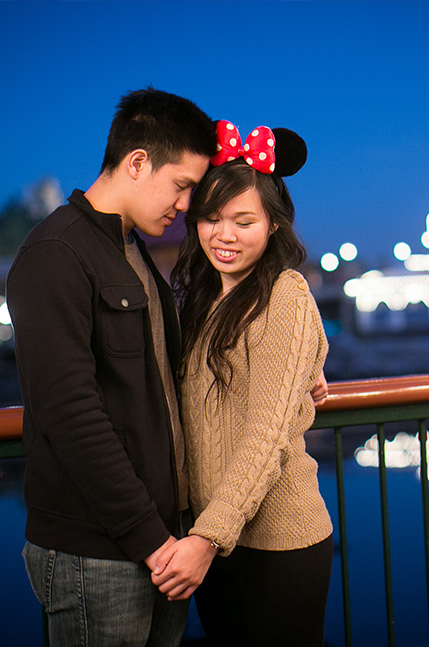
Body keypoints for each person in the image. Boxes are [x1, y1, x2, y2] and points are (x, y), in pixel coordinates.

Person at [5, 87, 215, 646]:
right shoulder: (55, 252)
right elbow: (69, 413)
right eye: (182, 185)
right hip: (97, 553)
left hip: (158, 543)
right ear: (138, 162)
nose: (186, 205)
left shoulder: (129, 248)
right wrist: (153, 541)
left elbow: (163, 384)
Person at [154, 121, 334, 646]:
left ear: (274, 226)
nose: (224, 235)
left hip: (276, 542)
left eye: (243, 221)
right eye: (210, 218)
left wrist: (207, 538)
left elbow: (267, 433)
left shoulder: (286, 293)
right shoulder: (203, 300)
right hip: (215, 537)